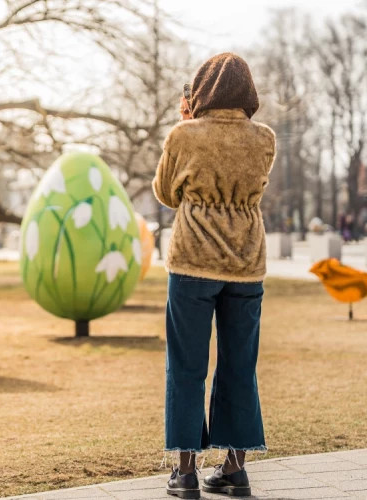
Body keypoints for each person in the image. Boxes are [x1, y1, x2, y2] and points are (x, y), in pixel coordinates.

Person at [152, 53, 275, 499]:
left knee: (186, 367)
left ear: (200, 91)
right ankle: (234, 470)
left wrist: (185, 125)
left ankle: (185, 473)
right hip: (246, 264)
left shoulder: (184, 134)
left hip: (191, 263)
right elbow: (255, 189)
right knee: (240, 366)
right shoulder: (264, 139)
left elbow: (166, 193)